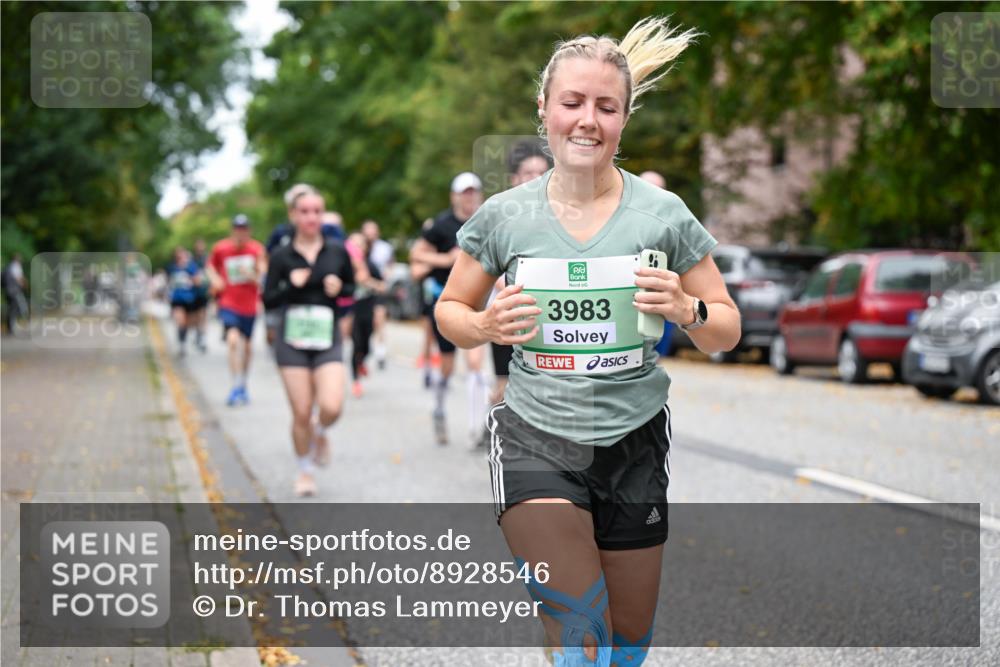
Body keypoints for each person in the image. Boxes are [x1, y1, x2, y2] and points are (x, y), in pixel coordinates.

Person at [435, 18, 740, 666]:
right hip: (535, 435)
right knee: (581, 630)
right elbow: (450, 308)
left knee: (627, 644)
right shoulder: (505, 216)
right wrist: (485, 326)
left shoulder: (663, 214)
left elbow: (726, 330)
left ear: (624, 119)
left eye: (606, 106)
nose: (587, 120)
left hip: (632, 441)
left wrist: (687, 307)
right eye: (572, 102)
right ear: (544, 109)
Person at [263, 188, 355, 497]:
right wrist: (290, 284)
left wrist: (340, 287)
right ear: (293, 215)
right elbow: (268, 299)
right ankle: (305, 471)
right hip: (292, 339)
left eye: (317, 211)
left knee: (332, 405)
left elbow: (352, 289)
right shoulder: (281, 256)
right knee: (300, 411)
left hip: (326, 335)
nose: (311, 217)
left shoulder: (336, 251)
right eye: (304, 211)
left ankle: (319, 431)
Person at [479, 141, 553, 446]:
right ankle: (497, 421)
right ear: (514, 179)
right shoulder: (500, 216)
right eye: (527, 172)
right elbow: (487, 268)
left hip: (547, 314)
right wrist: (512, 288)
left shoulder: (562, 216)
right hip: (509, 312)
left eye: (541, 171)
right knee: (506, 381)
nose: (535, 177)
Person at [409, 172, 488, 446]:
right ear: (455, 196)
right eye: (464, 193)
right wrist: (446, 259)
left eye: (474, 192)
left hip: (477, 300)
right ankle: (439, 407)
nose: (470, 197)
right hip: (447, 300)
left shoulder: (486, 220)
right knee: (447, 365)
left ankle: (477, 429)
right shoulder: (441, 225)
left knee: (476, 363)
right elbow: (416, 255)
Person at [206, 214, 267, 406]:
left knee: (247, 348)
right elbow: (210, 266)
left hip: (249, 305)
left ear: (249, 230)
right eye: (237, 228)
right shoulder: (221, 248)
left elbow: (264, 278)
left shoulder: (257, 249)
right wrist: (215, 278)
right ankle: (235, 384)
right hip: (228, 302)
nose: (240, 232)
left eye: (244, 228)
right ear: (233, 230)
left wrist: (251, 275)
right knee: (232, 341)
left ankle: (243, 383)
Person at [638, 171, 675, 358]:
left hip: (663, 298)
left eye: (658, 189)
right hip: (631, 298)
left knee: (657, 354)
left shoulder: (674, 224)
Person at [346, 232, 386, 397]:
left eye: (361, 244)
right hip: (351, 312)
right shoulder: (344, 265)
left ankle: (362, 362)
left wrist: (368, 282)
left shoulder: (371, 265)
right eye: (354, 244)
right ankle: (356, 381)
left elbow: (383, 286)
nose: (358, 247)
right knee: (356, 344)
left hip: (367, 309)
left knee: (367, 345)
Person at [362, 219, 395, 369]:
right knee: (365, 322)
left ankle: (381, 351)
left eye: (373, 233)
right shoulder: (359, 248)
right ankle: (364, 348)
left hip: (380, 287)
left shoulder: (384, 248)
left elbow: (390, 265)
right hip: (364, 288)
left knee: (379, 318)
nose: (370, 236)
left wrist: (386, 279)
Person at [166, 247, 203, 357]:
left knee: (187, 323)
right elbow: (168, 283)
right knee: (180, 321)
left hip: (189, 299)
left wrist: (192, 279)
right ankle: (181, 344)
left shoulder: (191, 268)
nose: (182, 258)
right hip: (177, 299)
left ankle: (189, 339)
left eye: (184, 256)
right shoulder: (172, 268)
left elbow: (198, 282)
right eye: (179, 256)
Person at [190, 238, 210, 352]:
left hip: (203, 291)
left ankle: (202, 336)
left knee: (202, 314)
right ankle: (197, 333)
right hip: (193, 292)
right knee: (195, 316)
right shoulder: (192, 260)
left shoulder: (207, 259)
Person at [2, 253, 28, 335]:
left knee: (11, 309)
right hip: (14, 291)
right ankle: (12, 327)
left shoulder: (8, 266)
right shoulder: (16, 266)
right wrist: (25, 284)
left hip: (8, 291)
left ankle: (10, 327)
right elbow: (19, 278)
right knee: (15, 308)